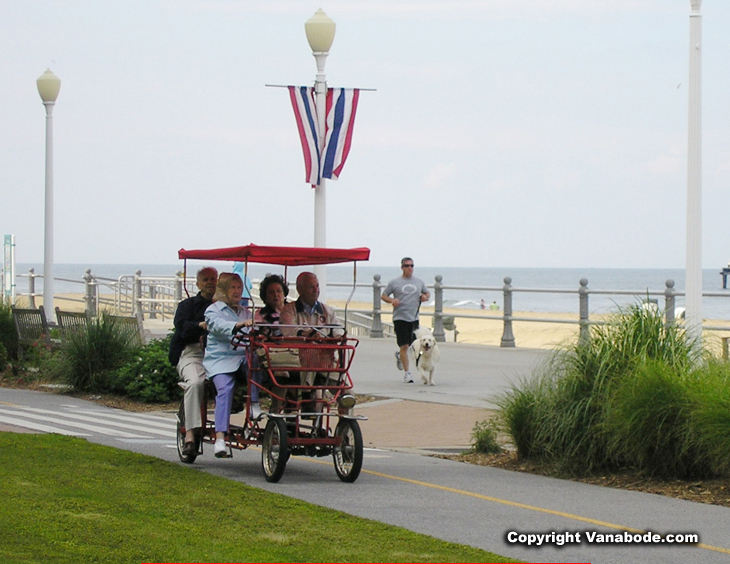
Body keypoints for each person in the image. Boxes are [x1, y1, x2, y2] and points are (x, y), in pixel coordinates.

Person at [168, 266, 217, 457]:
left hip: (219, 354)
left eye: (213, 279)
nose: (210, 283)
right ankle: (190, 434)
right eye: (206, 279)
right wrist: (200, 325)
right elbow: (181, 328)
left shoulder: (222, 306)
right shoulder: (187, 306)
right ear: (198, 284)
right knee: (195, 383)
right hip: (192, 352)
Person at [202, 272, 253, 458]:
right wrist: (239, 325)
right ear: (223, 290)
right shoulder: (213, 311)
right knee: (225, 388)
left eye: (239, 287)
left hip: (242, 357)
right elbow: (219, 327)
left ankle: (254, 408)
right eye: (233, 287)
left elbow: (254, 330)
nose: (237, 291)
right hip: (220, 359)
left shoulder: (245, 311)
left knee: (262, 369)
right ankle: (220, 437)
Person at [280, 272, 342, 409]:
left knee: (347, 394)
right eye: (311, 287)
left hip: (325, 362)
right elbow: (290, 331)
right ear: (300, 290)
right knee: (311, 353)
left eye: (317, 286)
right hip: (297, 361)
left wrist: (336, 337)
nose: (316, 291)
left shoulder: (327, 311)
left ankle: (345, 424)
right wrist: (308, 335)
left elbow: (338, 331)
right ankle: (307, 393)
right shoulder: (289, 310)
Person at [381, 257, 430, 383]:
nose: (410, 268)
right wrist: (392, 301)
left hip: (414, 318)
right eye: (407, 266)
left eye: (412, 266)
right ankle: (407, 374)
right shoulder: (395, 282)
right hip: (400, 318)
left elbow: (427, 293)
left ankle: (400, 356)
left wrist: (425, 297)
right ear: (402, 267)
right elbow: (384, 295)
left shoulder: (418, 282)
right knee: (404, 345)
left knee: (414, 346)